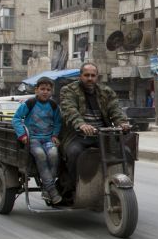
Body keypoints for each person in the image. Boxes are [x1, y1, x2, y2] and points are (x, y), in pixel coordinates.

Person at [59, 62, 130, 178]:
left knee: (124, 151)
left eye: (93, 75)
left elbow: (115, 109)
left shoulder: (106, 91)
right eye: (86, 75)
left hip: (102, 135)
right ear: (80, 76)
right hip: (77, 136)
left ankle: (117, 179)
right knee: (74, 153)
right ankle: (73, 185)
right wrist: (81, 124)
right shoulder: (68, 90)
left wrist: (122, 123)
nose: (90, 78)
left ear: (97, 77)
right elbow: (69, 110)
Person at [12, 77, 63, 205]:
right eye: (42, 89)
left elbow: (58, 123)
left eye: (48, 90)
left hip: (47, 139)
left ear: (51, 92)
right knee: (40, 155)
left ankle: (46, 189)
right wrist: (22, 135)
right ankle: (52, 190)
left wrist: (55, 136)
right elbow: (16, 118)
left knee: (54, 154)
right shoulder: (30, 103)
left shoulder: (53, 105)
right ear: (36, 90)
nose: (45, 92)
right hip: (33, 139)